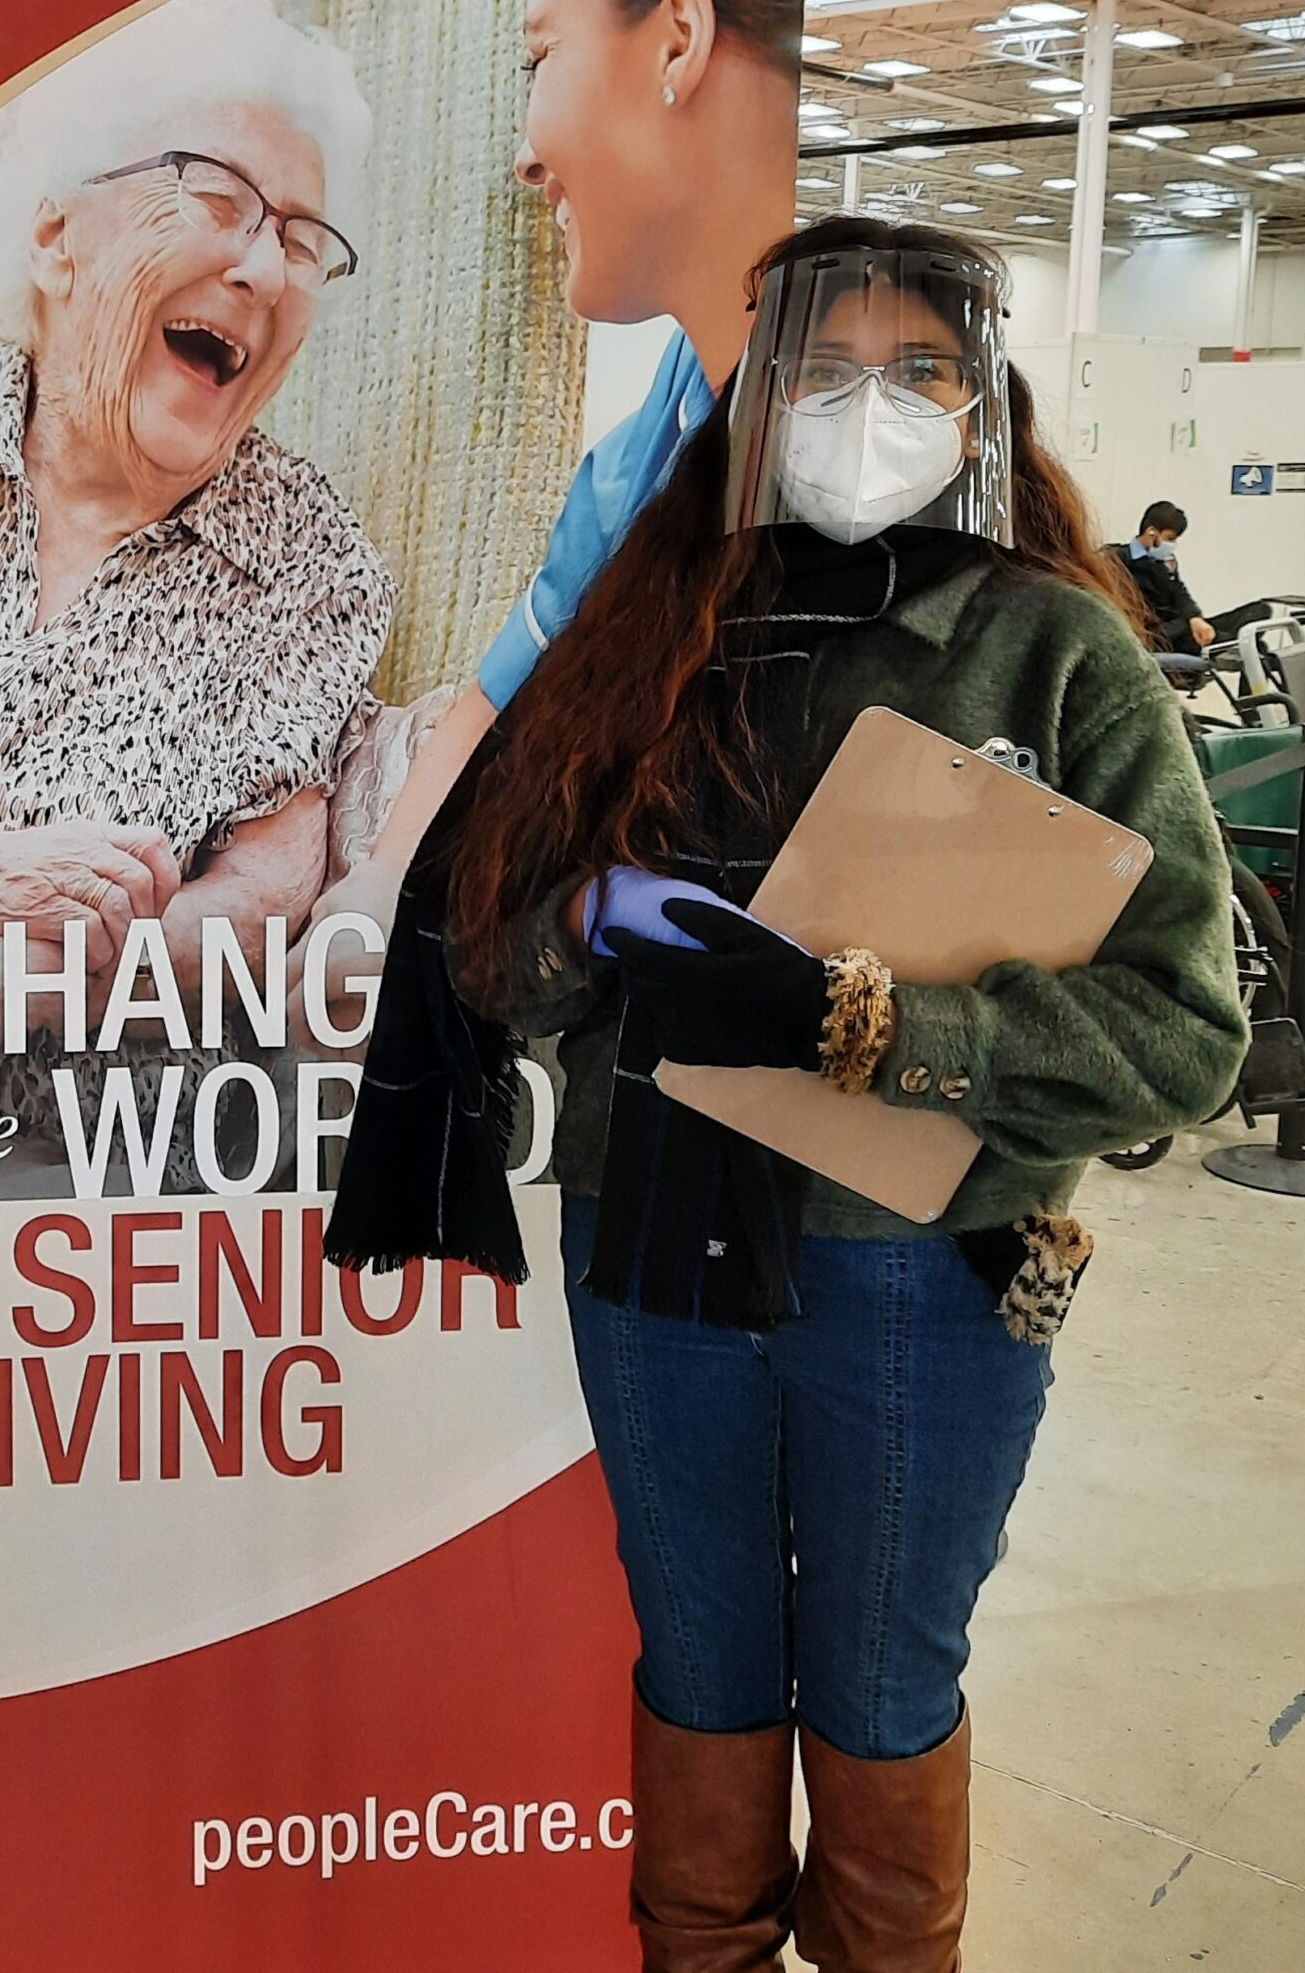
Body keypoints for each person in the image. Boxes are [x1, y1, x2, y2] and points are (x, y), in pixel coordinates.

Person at [332, 220, 1245, 1971]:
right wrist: (585, 922)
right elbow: (490, 947)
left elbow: (1181, 1030)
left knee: (887, 1681)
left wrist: (868, 1018)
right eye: (821, 375)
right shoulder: (642, 628)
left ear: (981, 408)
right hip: (652, 1241)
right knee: (698, 1668)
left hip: (918, 1266)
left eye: (916, 375)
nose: (865, 412)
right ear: (749, 401)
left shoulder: (1052, 653)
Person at [0, 0, 394, 1201]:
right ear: (52, 235)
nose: (264, 270)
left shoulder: (306, 554)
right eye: (221, 199)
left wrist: (0, 993)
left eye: (297, 239)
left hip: (114, 1192)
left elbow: (262, 896)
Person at [293, 0, 808, 1024]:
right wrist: (378, 886)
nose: (525, 153)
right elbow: (494, 690)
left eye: (541, 57)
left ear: (678, 38)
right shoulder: (655, 440)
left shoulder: (853, 441)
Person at [1109, 499, 1215, 654]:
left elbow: (1178, 591)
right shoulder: (1115, 559)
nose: (1173, 545)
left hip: (1172, 629)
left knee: (1247, 627)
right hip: (1144, 634)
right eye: (1170, 538)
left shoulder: (1167, 561)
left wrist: (1194, 617)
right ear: (1151, 531)